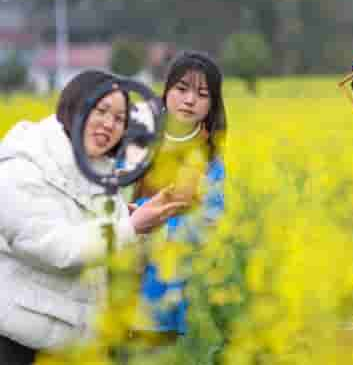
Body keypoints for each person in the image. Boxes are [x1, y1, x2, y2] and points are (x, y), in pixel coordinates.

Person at [0, 70, 186, 364]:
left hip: (69, 342)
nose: (109, 124)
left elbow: (100, 237)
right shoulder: (22, 166)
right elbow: (58, 248)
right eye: (101, 111)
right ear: (75, 107)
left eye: (120, 118)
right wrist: (131, 226)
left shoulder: (97, 169)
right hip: (16, 342)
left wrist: (137, 220)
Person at [131, 51, 226, 344]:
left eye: (202, 94)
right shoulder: (136, 143)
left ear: (211, 105)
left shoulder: (210, 160)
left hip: (180, 291)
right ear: (166, 92)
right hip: (130, 288)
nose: (189, 100)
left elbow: (213, 220)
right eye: (181, 89)